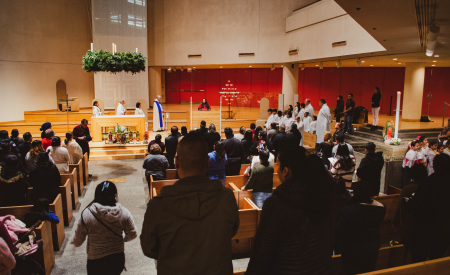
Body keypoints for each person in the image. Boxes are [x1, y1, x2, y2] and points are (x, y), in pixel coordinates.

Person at [140, 132, 239, 274]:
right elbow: (232, 231)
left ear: (176, 162)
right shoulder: (227, 198)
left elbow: (149, 248)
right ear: (207, 161)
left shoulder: (158, 206)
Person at [246, 149, 334, 274]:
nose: (276, 170)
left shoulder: (277, 203)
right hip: (320, 268)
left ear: (285, 171)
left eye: (278, 165)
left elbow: (262, 253)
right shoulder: (321, 194)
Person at [72, 181, 137, 275]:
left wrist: (75, 242)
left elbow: (78, 241)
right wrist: (122, 238)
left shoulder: (87, 214)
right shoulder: (124, 213)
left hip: (95, 260)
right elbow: (133, 234)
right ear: (115, 195)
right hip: (117, 258)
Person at [335, 181, 385, 275]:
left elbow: (340, 231)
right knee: (368, 271)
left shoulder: (350, 211)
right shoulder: (380, 209)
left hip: (352, 249)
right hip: (372, 248)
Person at [407, 154, 450, 262]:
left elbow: (417, 206)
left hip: (425, 230)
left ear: (434, 166)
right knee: (436, 260)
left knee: (419, 261)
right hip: (444, 231)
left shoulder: (429, 183)